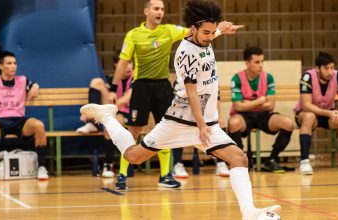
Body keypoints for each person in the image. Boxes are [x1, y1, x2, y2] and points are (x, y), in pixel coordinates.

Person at [80, 0, 281, 218]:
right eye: (206, 32)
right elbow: (192, 92)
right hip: (180, 121)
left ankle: (250, 213)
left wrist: (223, 29)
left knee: (239, 158)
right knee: (133, 156)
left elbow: (214, 31)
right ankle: (107, 116)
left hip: (206, 123)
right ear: (193, 28)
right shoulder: (185, 54)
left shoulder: (205, 35)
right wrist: (202, 125)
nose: (210, 36)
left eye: (212, 32)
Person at [108, 0, 241, 188]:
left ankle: (166, 174)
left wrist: (220, 29)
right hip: (153, 95)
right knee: (134, 149)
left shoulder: (173, 31)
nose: (159, 12)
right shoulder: (136, 36)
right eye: (156, 8)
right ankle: (108, 122)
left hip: (167, 90)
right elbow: (123, 62)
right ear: (146, 11)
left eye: (162, 8)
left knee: (239, 159)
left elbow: (202, 32)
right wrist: (113, 88)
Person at [0, 51, 48, 182]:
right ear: (1, 66)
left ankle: (42, 167)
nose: (13, 66)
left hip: (18, 120)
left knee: (39, 125)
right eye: (9, 63)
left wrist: (35, 86)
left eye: (15, 63)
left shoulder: (23, 80)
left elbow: (33, 85)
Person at [227, 47, 295, 173]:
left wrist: (249, 103)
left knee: (288, 124)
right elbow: (238, 107)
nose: (261, 65)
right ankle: (241, 160)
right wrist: (260, 101)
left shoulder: (268, 77)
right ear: (247, 63)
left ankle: (272, 160)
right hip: (244, 116)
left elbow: (270, 105)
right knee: (232, 124)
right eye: (257, 62)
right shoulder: (237, 78)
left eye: (262, 61)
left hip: (263, 115)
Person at [75, 49, 133, 179]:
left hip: (126, 114)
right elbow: (107, 97)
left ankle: (109, 164)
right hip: (110, 111)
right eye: (125, 63)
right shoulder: (114, 80)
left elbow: (125, 100)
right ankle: (92, 121)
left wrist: (103, 109)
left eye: (130, 63)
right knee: (96, 82)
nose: (128, 66)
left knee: (110, 124)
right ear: (116, 65)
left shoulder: (135, 78)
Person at [172, 84, 230, 178]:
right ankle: (178, 164)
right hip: (186, 116)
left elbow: (216, 102)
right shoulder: (180, 82)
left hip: (207, 116)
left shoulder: (211, 80)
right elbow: (178, 106)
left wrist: (216, 118)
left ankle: (221, 163)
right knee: (177, 124)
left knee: (221, 122)